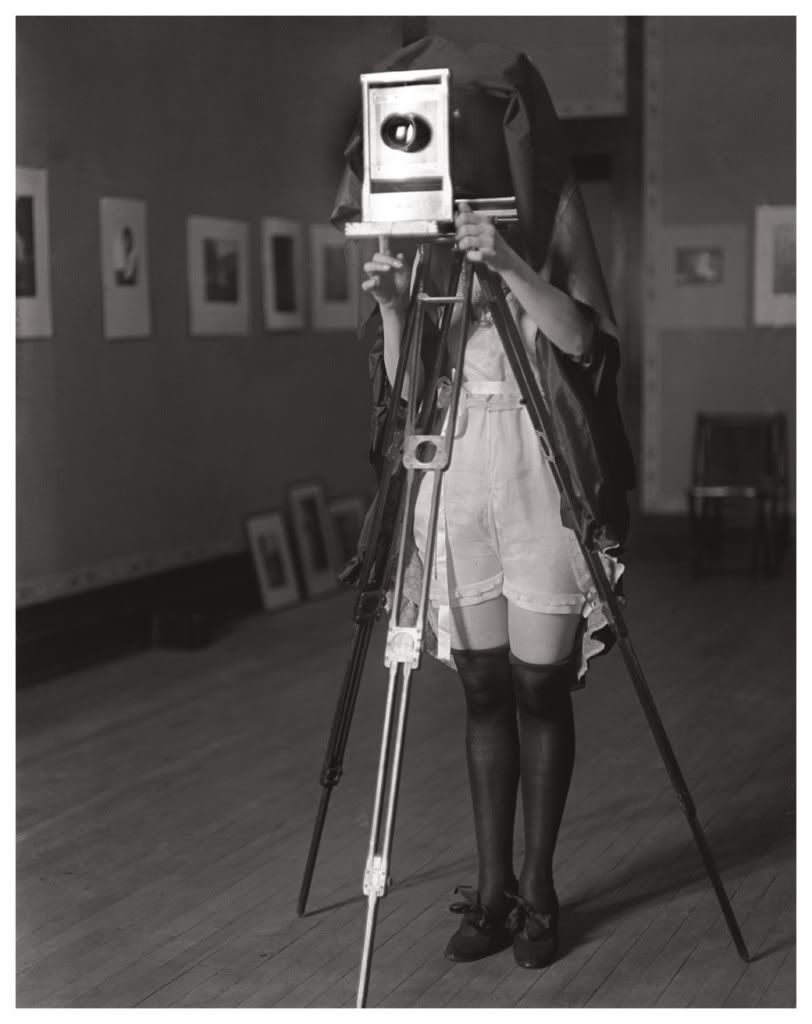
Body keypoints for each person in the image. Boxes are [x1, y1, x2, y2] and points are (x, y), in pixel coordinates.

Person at [360, 205, 610, 970]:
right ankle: (492, 888)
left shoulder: (551, 215)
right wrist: (396, 306)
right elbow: (407, 397)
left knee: (539, 687)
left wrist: (507, 261)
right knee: (481, 689)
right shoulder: (429, 235)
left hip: (539, 464)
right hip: (455, 469)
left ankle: (539, 886)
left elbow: (583, 341)